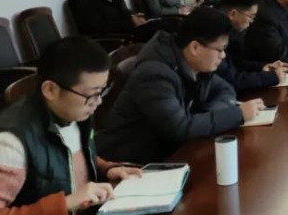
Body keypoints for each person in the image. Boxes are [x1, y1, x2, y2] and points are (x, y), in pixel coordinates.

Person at [0, 37, 142, 215]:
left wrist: (106, 169)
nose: (98, 102)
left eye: (102, 92)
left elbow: (65, 157)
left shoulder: (72, 112)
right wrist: (64, 204)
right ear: (51, 90)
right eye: (91, 94)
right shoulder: (8, 143)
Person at [97, 9, 265, 164]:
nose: (223, 55)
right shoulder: (154, 74)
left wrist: (206, 116)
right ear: (195, 47)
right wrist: (237, 114)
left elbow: (226, 90)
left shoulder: (194, 64)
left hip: (169, 154)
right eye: (220, 49)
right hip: (128, 164)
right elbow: (179, 129)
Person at [215, 0, 288, 92]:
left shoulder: (233, 32)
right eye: (251, 16)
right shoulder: (214, 36)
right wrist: (271, 77)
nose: (252, 21)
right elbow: (231, 80)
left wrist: (262, 67)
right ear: (233, 14)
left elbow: (237, 65)